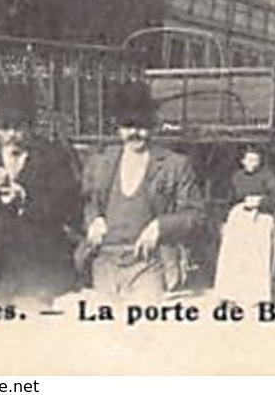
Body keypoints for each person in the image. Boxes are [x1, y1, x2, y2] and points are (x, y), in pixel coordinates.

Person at [77, 82, 205, 302]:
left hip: (150, 263)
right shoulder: (99, 162)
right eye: (128, 125)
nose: (135, 133)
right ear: (118, 127)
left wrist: (161, 226)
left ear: (153, 126)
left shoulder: (174, 164)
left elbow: (196, 214)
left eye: (142, 126)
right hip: (105, 262)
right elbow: (85, 202)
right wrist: (93, 220)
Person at [0, 83, 81, 306]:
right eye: (4, 128)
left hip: (39, 270)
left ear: (31, 126)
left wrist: (25, 199)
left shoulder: (53, 158)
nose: (12, 136)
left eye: (19, 127)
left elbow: (69, 207)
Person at [214, 145, 275, 304]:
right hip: (239, 220)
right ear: (243, 161)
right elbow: (229, 200)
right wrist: (224, 221)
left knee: (259, 258)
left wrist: (260, 202)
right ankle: (230, 294)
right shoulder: (236, 177)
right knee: (233, 257)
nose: (252, 163)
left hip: (261, 220)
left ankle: (260, 296)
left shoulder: (268, 176)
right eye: (249, 159)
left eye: (256, 159)